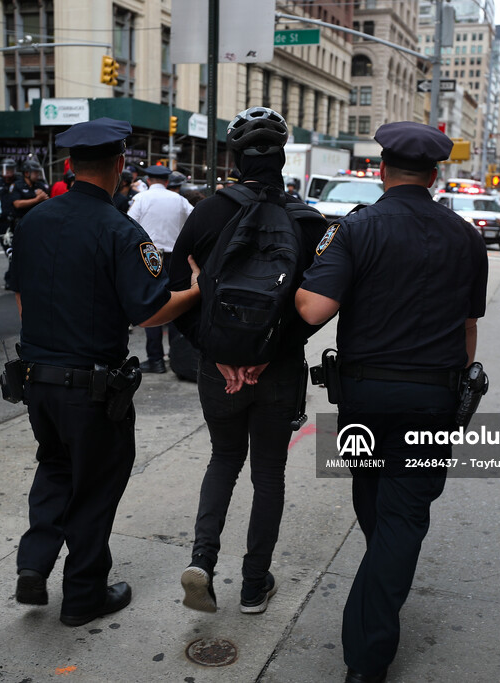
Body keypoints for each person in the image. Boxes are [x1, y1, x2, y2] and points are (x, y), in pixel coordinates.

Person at [294, 121, 487, 683]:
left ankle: (368, 653)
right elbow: (468, 326)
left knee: (375, 501)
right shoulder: (466, 236)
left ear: (382, 171)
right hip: (432, 397)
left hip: (365, 398)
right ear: (434, 175)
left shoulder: (357, 228)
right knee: (398, 517)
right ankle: (383, 592)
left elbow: (312, 311)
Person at [6, 117, 201, 628]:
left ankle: (34, 561)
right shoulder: (119, 230)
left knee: (54, 467)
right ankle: (84, 595)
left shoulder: (35, 222)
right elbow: (149, 311)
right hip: (91, 389)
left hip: (36, 381)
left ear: (70, 167)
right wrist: (198, 289)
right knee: (95, 485)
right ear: (118, 167)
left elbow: (22, 298)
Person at [169, 106, 327, 616]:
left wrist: (221, 355)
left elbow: (177, 295)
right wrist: (268, 355)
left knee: (222, 459)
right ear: (284, 159)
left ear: (233, 159)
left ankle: (202, 561)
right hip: (279, 371)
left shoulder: (208, 213)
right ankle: (255, 585)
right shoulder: (308, 222)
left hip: (219, 372)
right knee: (269, 476)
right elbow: (316, 309)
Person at [127, 164, 194, 373]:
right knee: (175, 304)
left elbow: (128, 225)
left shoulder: (141, 199)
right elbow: (193, 223)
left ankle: (155, 359)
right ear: (167, 181)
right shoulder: (180, 200)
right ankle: (175, 356)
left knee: (153, 305)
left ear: (149, 181)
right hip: (176, 257)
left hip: (149, 255)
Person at [0, 158, 19, 288]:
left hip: (16, 221)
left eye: (10, 170)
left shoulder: (19, 183)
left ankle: (12, 278)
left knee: (16, 251)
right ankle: (12, 277)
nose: (7, 172)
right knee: (9, 250)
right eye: (5, 169)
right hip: (2, 224)